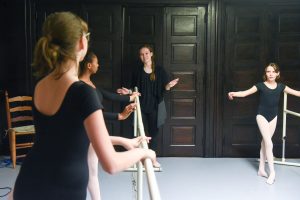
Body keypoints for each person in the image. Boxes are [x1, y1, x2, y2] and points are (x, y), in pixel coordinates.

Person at [10, 12, 156, 200]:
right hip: (62, 190)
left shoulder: (41, 85)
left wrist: (124, 142)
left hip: (27, 183)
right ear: (81, 43)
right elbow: (111, 164)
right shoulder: (83, 92)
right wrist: (144, 152)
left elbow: (71, 137)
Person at [79, 51, 150, 200]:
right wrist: (120, 116)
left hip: (91, 133)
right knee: (88, 173)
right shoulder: (82, 87)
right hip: (86, 134)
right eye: (96, 62)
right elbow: (96, 115)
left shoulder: (90, 84)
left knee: (92, 173)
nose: (98, 65)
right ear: (89, 65)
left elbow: (107, 95)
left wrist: (130, 97)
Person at [228, 63, 300, 185]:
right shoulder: (260, 86)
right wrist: (233, 93)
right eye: (268, 71)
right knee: (269, 143)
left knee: (264, 144)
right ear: (265, 73)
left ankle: (261, 169)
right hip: (261, 116)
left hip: (273, 117)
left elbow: (297, 93)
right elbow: (245, 93)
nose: (270, 74)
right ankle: (272, 172)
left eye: (273, 71)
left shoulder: (281, 87)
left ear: (278, 74)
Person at [117, 44, 179, 151]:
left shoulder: (159, 70)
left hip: (154, 107)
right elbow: (134, 88)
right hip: (139, 106)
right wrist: (128, 91)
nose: (144, 56)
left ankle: (152, 157)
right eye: (141, 54)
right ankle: (139, 156)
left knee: (154, 132)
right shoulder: (137, 70)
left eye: (146, 53)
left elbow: (165, 88)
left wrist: (169, 85)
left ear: (151, 54)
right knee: (138, 131)